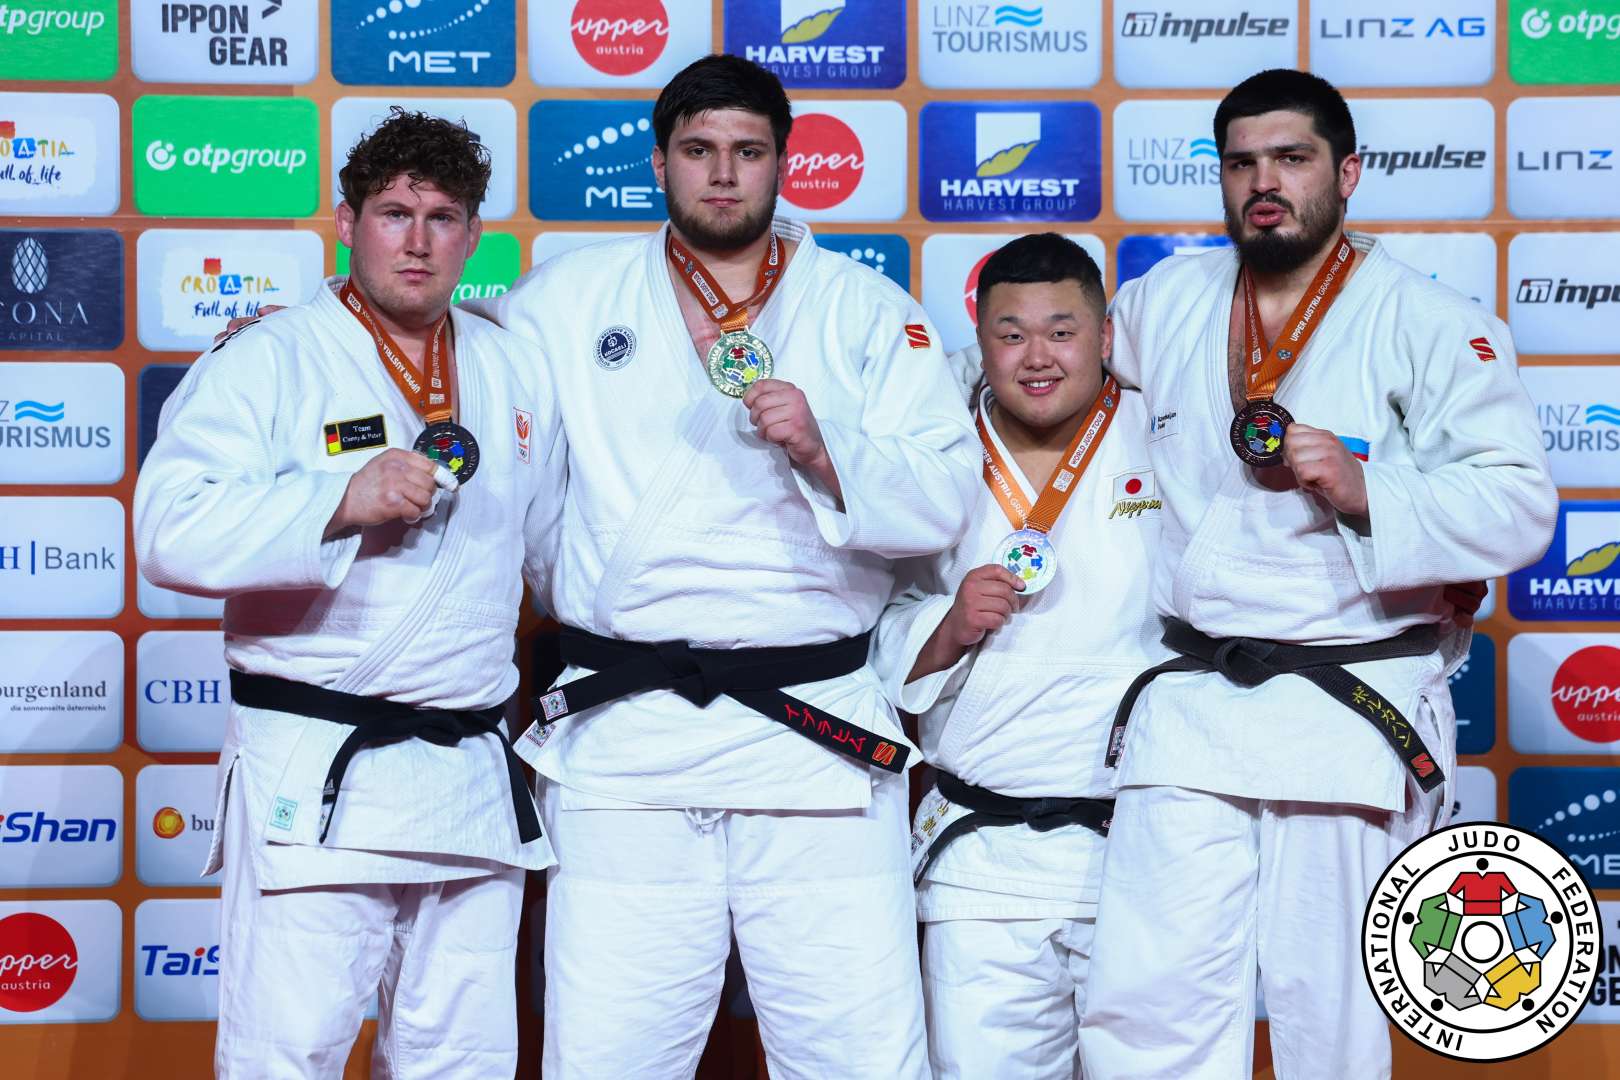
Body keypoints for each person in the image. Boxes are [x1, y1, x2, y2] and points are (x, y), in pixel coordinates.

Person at [465, 55, 977, 1078]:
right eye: (698, 151)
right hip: (628, 740)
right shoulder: (566, 300)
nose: (724, 173)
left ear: (784, 163)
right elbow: (479, 412)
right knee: (606, 1056)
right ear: (660, 162)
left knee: (859, 1057)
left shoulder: (868, 311)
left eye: (748, 151)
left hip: (817, 747)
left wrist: (828, 449)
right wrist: (323, 332)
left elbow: (943, 499)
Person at [1075, 69, 1558, 1079]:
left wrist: (1372, 487)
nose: (1264, 183)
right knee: (1149, 999)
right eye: (1242, 163)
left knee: (1328, 1013)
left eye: (1291, 159)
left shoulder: (1429, 320)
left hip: (1346, 706)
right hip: (1194, 698)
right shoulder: (1161, 302)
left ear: (1347, 173)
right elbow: (1043, 385)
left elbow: (1519, 503)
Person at [134, 109, 565, 1078]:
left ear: (473, 236)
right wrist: (333, 502)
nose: (417, 242)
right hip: (316, 768)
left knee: (462, 1061)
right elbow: (167, 529)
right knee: (287, 1055)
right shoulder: (270, 356)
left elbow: (549, 552)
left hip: (467, 775)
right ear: (346, 223)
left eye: (442, 218)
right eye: (394, 214)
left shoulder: (511, 366)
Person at [870, 233, 1166, 1079]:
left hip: (1144, 851)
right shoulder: (934, 449)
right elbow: (874, 608)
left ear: (1104, 336)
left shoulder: (1165, 433)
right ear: (980, 339)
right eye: (1011, 334)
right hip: (983, 865)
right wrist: (949, 625)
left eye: (1061, 332)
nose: (1038, 357)